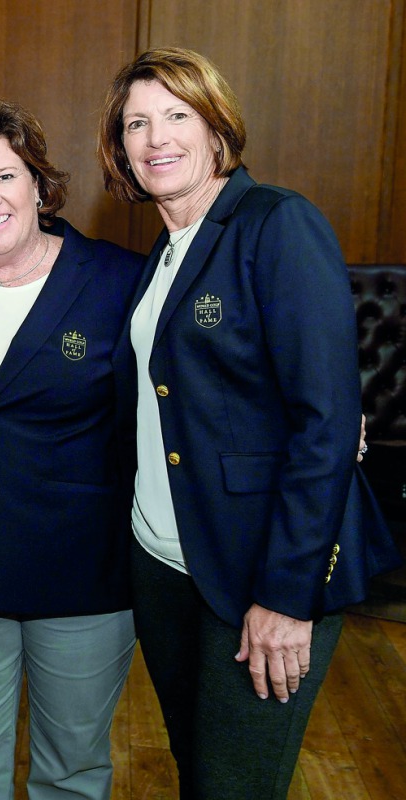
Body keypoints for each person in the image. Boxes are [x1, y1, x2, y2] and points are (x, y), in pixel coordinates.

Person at [96, 47, 402, 799]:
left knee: (235, 785)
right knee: (198, 769)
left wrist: (288, 598)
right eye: (137, 123)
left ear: (216, 128)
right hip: (165, 563)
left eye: (177, 115)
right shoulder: (165, 253)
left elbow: (327, 424)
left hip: (260, 572)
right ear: (120, 147)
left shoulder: (276, 223)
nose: (156, 138)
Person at [0, 99, 143, 800]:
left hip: (82, 581)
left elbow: (196, 387)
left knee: (70, 772)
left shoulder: (120, 283)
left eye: (6, 176)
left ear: (39, 185)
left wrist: (315, 408)